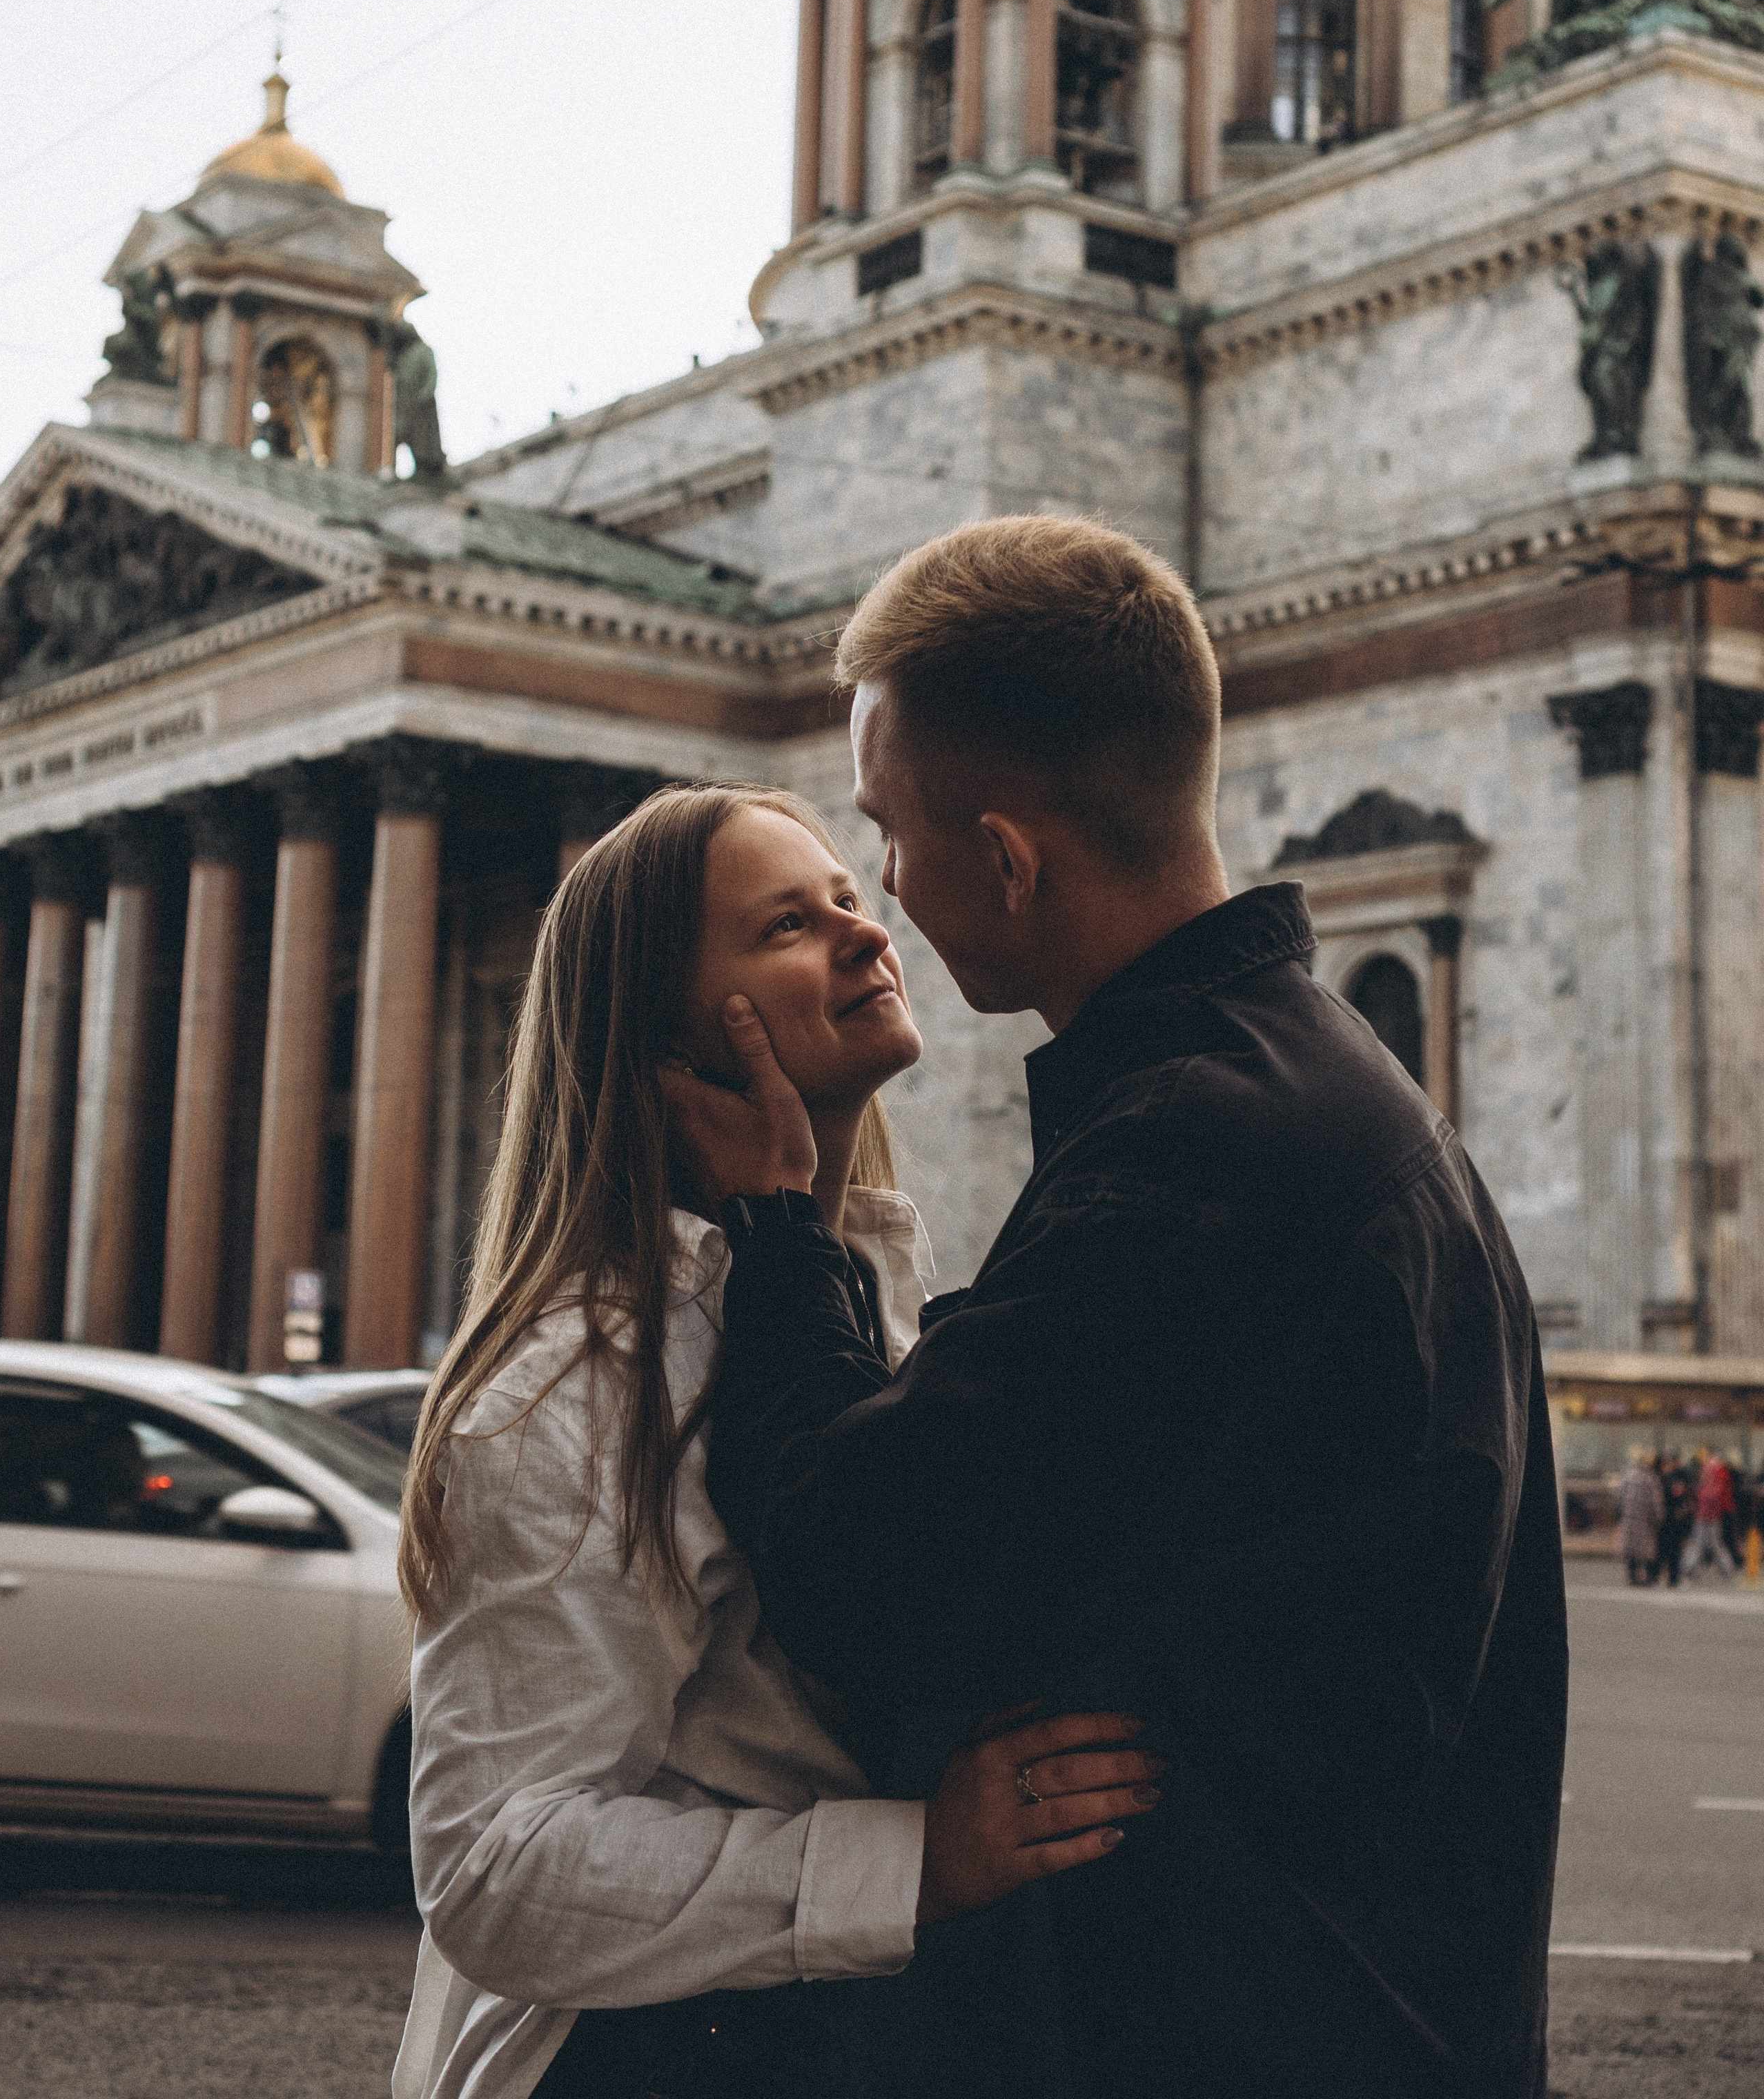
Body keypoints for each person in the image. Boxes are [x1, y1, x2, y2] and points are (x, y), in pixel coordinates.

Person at [667, 516, 1571, 2099]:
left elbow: (857, 1570)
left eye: (883, 829)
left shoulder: (1194, 1155)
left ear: (1007, 857)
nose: (879, 888)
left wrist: (773, 1221)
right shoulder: (1320, 1096)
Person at [393, 781, 1164, 2099]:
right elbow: (493, 1867)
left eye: (852, 902)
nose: (866, 936)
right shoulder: (580, 1376)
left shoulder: (850, 1295)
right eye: (788, 927)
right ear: (672, 1044)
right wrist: (915, 1861)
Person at [1681, 1449, 1738, 1580]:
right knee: (1703, 1545)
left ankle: (1725, 1568)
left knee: (1710, 1545)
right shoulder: (1709, 1484)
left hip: (1710, 1519)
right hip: (1705, 1519)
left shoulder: (1713, 1485)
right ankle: (1689, 1568)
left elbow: (1710, 1498)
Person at [1617, 1447, 1665, 1585]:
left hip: (1630, 1519)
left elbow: (1620, 1497)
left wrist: (1622, 1514)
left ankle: (1632, 1576)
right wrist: (1659, 1518)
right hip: (1645, 1521)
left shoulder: (1629, 1476)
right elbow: (1656, 1503)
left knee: (1631, 1551)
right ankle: (1648, 1577)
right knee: (1646, 1551)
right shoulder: (1651, 1479)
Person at [1658, 1451, 1694, 1585]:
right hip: (1668, 1519)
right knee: (1667, 1549)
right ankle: (1668, 1576)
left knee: (1674, 1550)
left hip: (1675, 1519)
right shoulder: (1665, 1478)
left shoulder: (1681, 1476)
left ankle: (1673, 1577)